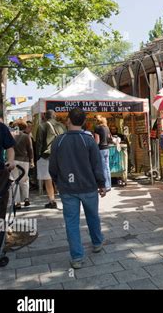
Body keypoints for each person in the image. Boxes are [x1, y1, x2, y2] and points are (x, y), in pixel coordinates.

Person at [49, 108, 106, 269]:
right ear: (84, 122)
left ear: (68, 120)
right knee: (92, 216)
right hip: (88, 187)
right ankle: (96, 242)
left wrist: (57, 182)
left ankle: (77, 257)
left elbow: (53, 167)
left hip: (67, 188)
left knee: (71, 223)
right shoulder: (88, 141)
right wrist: (101, 184)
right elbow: (97, 165)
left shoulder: (58, 141)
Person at [36, 110, 66, 209]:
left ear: (45, 116)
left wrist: (38, 156)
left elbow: (39, 143)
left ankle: (52, 201)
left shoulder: (42, 126)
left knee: (48, 179)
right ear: (55, 116)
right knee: (61, 177)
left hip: (46, 155)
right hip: (61, 155)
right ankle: (65, 198)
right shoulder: (62, 126)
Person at [0, 120, 16, 250]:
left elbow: (10, 147)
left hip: (0, 174)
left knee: (0, 210)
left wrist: (10, 161)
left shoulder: (1, 128)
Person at [10, 119, 34, 208]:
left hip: (13, 160)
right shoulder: (26, 136)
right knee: (24, 180)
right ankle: (26, 198)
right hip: (24, 161)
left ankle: (17, 202)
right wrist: (32, 161)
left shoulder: (11, 136)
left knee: (15, 181)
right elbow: (30, 150)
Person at [94, 115, 112, 191]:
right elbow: (109, 138)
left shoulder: (97, 128)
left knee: (103, 168)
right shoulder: (107, 128)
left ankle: (105, 185)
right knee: (107, 167)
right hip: (107, 149)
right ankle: (109, 185)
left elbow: (97, 141)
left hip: (101, 149)